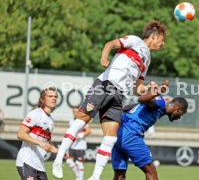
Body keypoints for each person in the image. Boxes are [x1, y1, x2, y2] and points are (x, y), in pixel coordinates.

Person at [52, 20, 167, 180]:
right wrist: (104, 57)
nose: (163, 44)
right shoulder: (134, 40)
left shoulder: (147, 60)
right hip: (105, 85)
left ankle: (95, 176)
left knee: (111, 137)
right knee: (81, 121)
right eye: (162, 40)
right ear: (154, 36)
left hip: (119, 95)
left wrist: (150, 88)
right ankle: (58, 159)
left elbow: (137, 88)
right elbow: (110, 44)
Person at [112, 81, 188, 180]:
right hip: (131, 134)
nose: (179, 118)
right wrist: (158, 92)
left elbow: (129, 107)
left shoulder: (160, 110)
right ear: (178, 109)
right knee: (151, 172)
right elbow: (141, 99)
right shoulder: (160, 103)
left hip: (117, 132)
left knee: (119, 175)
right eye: (181, 114)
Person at [16, 87, 58, 180]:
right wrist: (40, 143)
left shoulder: (51, 120)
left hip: (39, 165)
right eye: (50, 96)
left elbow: (47, 143)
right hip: (27, 161)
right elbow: (21, 134)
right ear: (42, 99)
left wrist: (60, 152)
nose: (54, 98)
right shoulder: (35, 114)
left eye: (55, 96)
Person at [66, 108, 91, 180]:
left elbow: (89, 131)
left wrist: (80, 136)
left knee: (79, 163)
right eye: (73, 112)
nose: (75, 113)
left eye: (76, 111)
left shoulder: (84, 120)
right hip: (72, 145)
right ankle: (78, 175)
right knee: (69, 161)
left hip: (81, 146)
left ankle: (80, 178)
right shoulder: (71, 121)